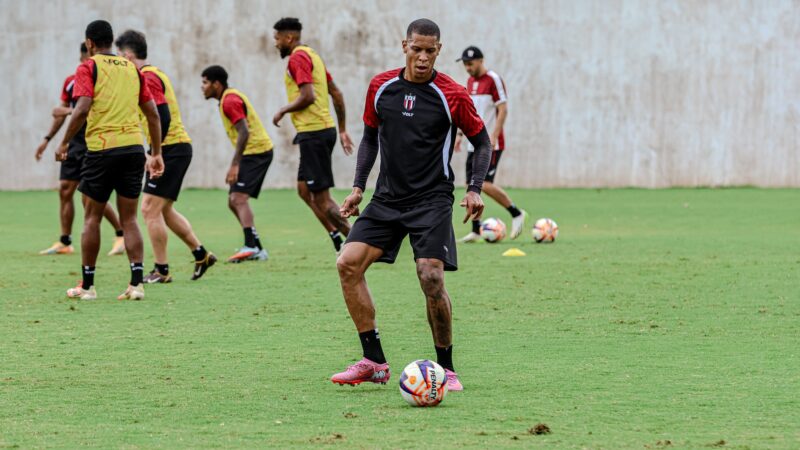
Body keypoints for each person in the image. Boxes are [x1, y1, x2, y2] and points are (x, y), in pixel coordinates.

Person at [332, 19, 492, 392]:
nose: (422, 57)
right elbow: (370, 139)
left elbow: (482, 142)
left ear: (439, 51)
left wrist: (474, 188)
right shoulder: (381, 87)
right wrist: (358, 188)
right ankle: (373, 361)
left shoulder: (452, 94)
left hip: (432, 199)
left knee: (431, 276)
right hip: (387, 198)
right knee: (347, 264)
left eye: (430, 51)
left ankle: (447, 368)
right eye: (416, 49)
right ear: (404, 45)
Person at [57, 20, 164, 300]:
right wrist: (157, 153)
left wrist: (65, 141)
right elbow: (152, 114)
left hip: (102, 150)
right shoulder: (132, 69)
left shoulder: (88, 67)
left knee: (91, 217)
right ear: (111, 41)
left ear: (90, 43)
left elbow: (81, 109)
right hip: (133, 149)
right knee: (129, 218)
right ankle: (136, 285)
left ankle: (88, 287)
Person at [116, 30, 216, 282]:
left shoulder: (147, 76)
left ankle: (162, 270)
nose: (118, 60)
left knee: (149, 208)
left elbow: (163, 116)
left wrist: (154, 153)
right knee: (164, 210)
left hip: (171, 149)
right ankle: (201, 254)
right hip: (174, 148)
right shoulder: (151, 74)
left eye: (119, 56)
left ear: (128, 55)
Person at [35, 42, 126, 257]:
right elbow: (62, 113)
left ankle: (120, 233)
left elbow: (87, 107)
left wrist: (67, 110)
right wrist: (47, 139)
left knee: (90, 195)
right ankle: (65, 241)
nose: (84, 63)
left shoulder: (105, 77)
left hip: (94, 139)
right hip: (74, 142)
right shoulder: (71, 81)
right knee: (65, 188)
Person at [272, 17, 354, 254]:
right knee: (303, 190)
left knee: (322, 199)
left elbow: (308, 96)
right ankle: (337, 238)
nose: (276, 44)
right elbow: (336, 94)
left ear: (289, 38)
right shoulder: (313, 55)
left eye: (277, 38)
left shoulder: (298, 57)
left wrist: (282, 110)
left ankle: (358, 242)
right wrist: (341, 129)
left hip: (314, 133)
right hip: (321, 131)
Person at [454, 46, 527, 242]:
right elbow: (469, 112)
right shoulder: (469, 82)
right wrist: (460, 134)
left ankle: (516, 213)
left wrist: (494, 135)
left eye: (470, 63)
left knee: (484, 184)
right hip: (472, 142)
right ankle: (476, 230)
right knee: (470, 186)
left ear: (480, 61)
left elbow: (502, 109)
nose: (467, 68)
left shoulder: (493, 79)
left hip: (489, 143)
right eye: (465, 65)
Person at [201, 65, 273, 263]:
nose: (202, 87)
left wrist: (235, 164)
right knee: (233, 201)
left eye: (205, 82)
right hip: (253, 152)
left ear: (217, 84)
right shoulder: (227, 98)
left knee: (238, 198)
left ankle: (251, 246)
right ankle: (256, 247)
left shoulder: (230, 100)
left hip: (257, 152)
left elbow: (244, 132)